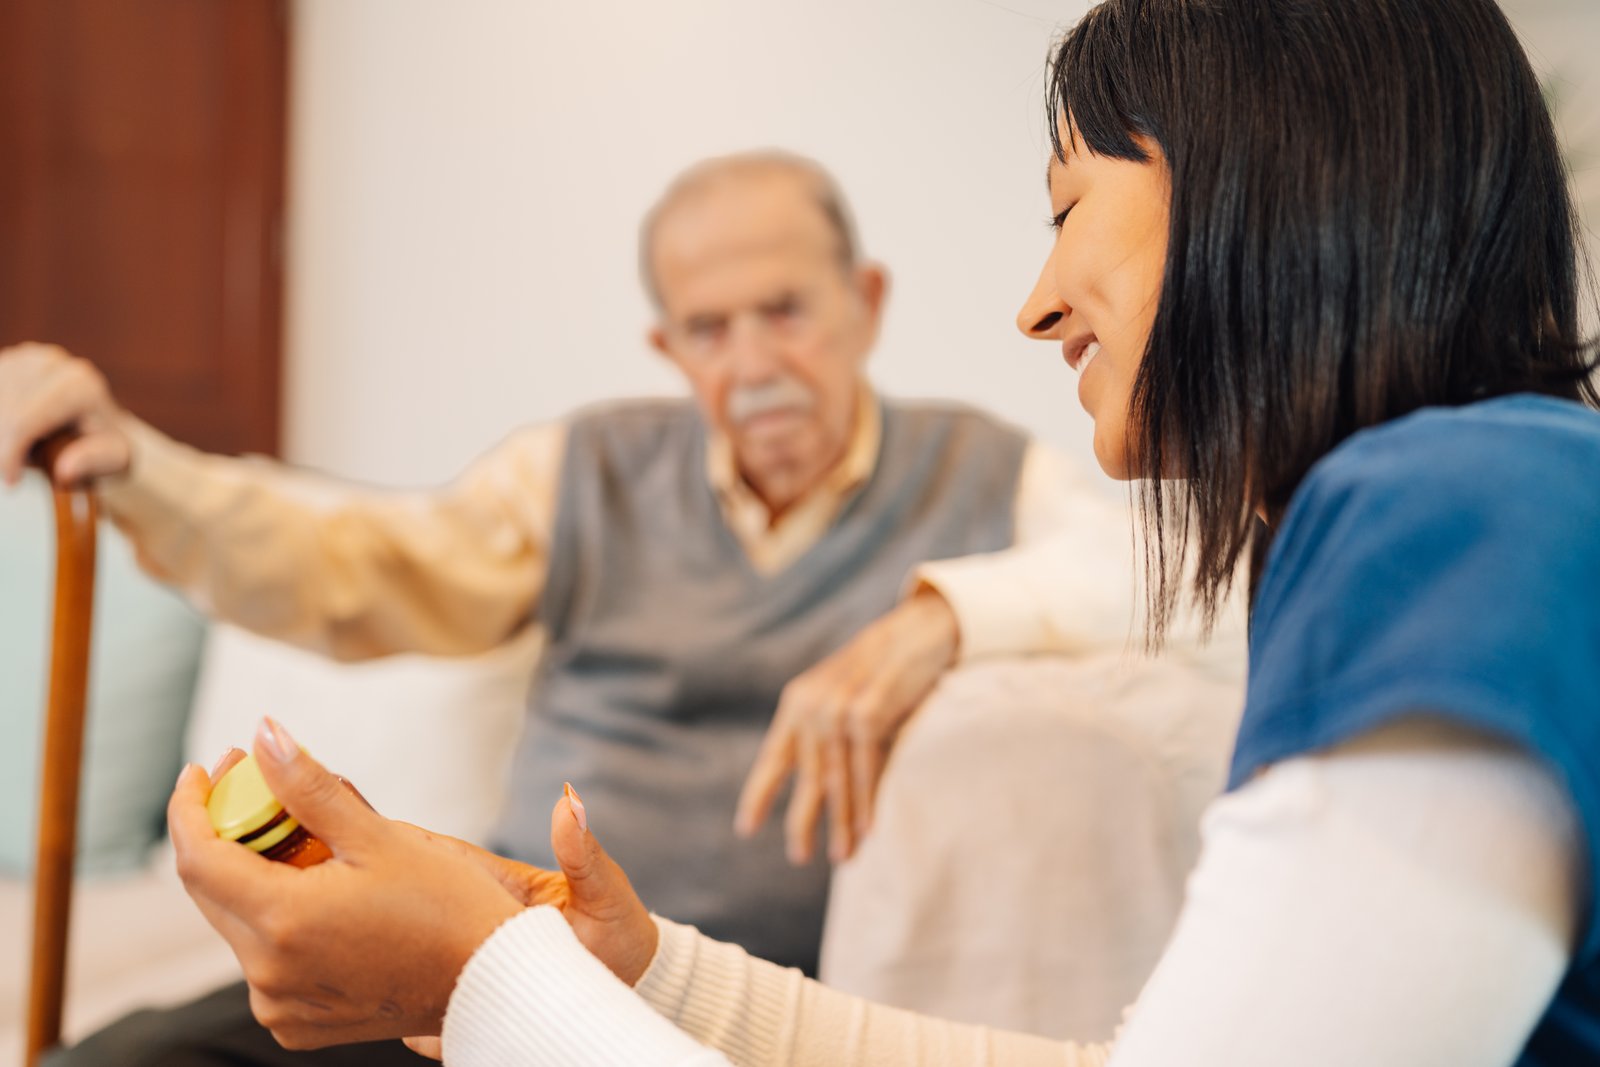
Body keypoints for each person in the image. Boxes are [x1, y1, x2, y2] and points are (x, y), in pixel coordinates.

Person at [152, 0, 1600, 1063]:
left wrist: (481, 974)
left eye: (1069, 206)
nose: (1034, 301)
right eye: (707, 328)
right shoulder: (1480, 491)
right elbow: (360, 559)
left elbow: (1106, 561)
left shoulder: (1444, 513)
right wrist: (641, 969)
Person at [2, 151, 1228, 1065]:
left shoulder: (983, 473)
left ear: (865, 299)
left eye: (786, 311)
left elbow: (1179, 562)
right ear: (666, 344)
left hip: (732, 1008)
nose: (750, 363)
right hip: (497, 954)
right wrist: (139, 465)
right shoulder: (582, 468)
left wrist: (940, 616)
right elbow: (355, 560)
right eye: (708, 328)